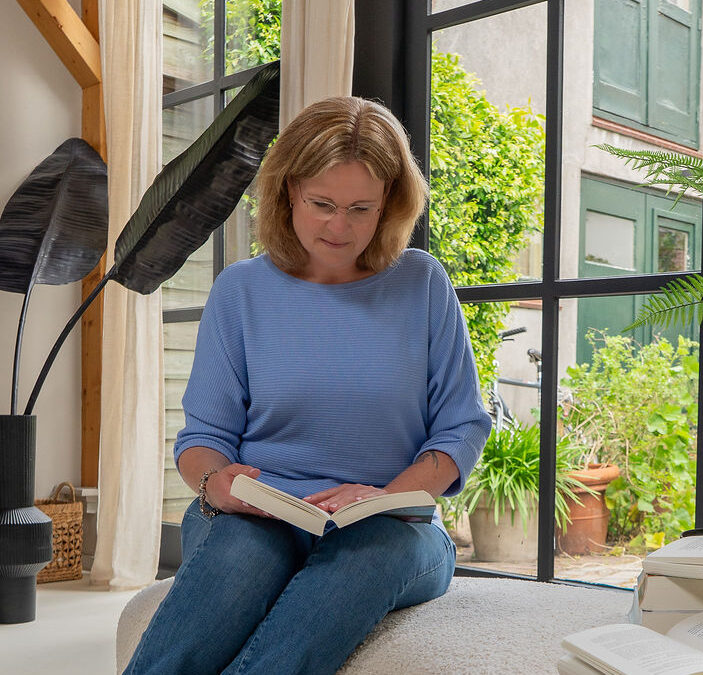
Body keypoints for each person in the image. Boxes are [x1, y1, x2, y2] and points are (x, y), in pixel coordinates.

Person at [123, 97, 491, 675]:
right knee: (238, 559)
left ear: (389, 205)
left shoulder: (422, 282)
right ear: (289, 190)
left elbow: (462, 426)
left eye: (361, 209)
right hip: (256, 518)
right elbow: (203, 437)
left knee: (364, 558)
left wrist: (387, 495)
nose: (339, 227)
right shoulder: (240, 291)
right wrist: (217, 484)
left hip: (391, 530)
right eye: (322, 204)